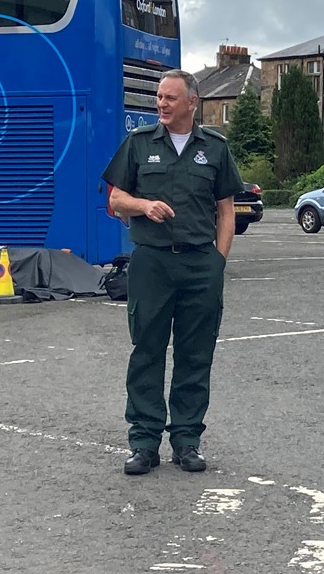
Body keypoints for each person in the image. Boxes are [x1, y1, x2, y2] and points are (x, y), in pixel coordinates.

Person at [101, 69, 242, 475]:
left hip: (201, 263)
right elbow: (115, 199)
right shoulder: (139, 143)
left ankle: (186, 439)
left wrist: (218, 260)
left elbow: (226, 210)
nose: (161, 104)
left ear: (192, 103)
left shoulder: (214, 148)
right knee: (147, 350)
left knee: (195, 354)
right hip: (152, 261)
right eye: (159, 97)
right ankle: (144, 442)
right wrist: (144, 206)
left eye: (170, 98)